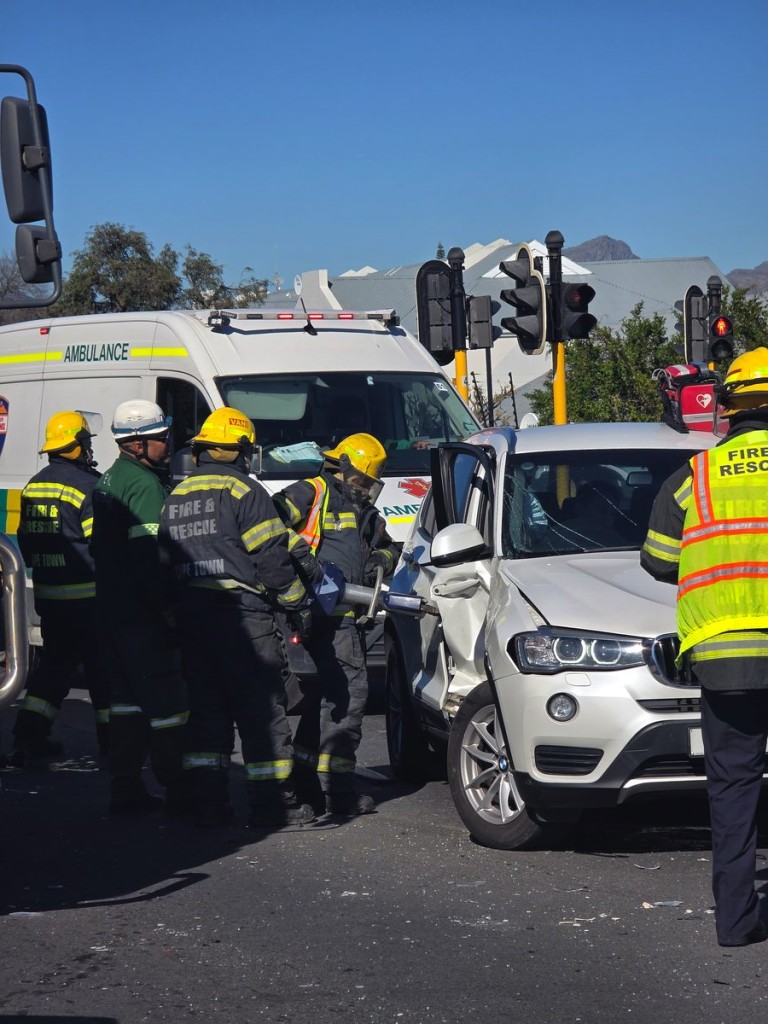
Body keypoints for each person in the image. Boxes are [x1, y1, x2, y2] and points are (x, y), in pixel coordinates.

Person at [640, 348, 768, 948]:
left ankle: (738, 922)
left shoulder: (694, 477)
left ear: (725, 409)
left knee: (734, 788)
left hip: (724, 659)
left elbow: (659, 562)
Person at [159, 407, 315, 828]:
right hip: (243, 619)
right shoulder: (245, 491)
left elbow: (164, 565)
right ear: (242, 450)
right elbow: (272, 560)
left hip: (193, 620)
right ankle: (273, 806)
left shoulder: (177, 496)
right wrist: (298, 603)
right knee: (261, 711)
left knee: (207, 713)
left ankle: (208, 804)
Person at [274, 432, 398, 817]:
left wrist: (381, 559)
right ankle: (337, 790)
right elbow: (265, 526)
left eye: (369, 484)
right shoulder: (311, 492)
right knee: (349, 696)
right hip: (312, 612)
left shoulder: (366, 513)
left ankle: (308, 779)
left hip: (346, 618)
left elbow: (390, 548)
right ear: (342, 468)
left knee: (324, 699)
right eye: (361, 480)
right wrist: (302, 562)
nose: (365, 489)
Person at [90, 399, 188, 813]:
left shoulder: (109, 478)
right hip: (144, 617)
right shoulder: (145, 486)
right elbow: (152, 559)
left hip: (113, 612)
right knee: (168, 707)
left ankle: (125, 786)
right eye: (160, 438)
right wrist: (168, 610)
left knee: (127, 705)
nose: (168, 443)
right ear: (136, 443)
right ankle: (180, 789)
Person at [12, 411, 108, 766]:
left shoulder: (34, 485)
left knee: (53, 670)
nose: (88, 448)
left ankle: (28, 738)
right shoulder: (87, 486)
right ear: (75, 446)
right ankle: (113, 747)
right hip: (90, 599)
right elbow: (102, 545)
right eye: (85, 442)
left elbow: (26, 541)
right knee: (104, 674)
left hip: (51, 597)